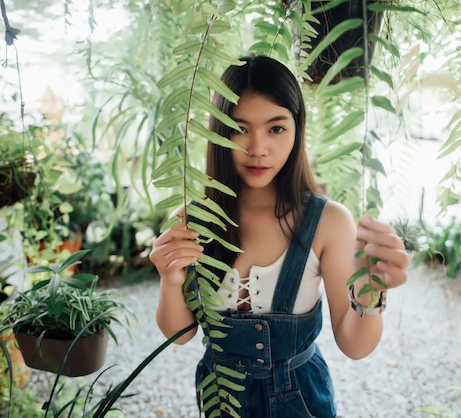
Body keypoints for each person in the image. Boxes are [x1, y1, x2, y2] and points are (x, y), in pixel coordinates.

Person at [149, 55, 410, 418]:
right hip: (219, 400)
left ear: (297, 129)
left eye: (275, 128)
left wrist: (371, 290)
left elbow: (354, 345)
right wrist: (169, 279)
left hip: (301, 400)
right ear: (218, 132)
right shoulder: (195, 220)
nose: (258, 148)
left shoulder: (328, 222)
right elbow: (180, 335)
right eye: (240, 128)